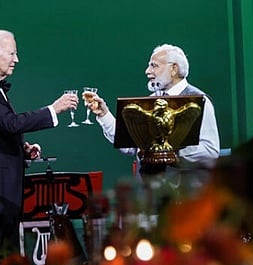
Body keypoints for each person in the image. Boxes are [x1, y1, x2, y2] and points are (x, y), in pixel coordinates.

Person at [0, 29, 78, 259]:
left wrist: (21, 149)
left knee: (8, 264)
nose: (17, 59)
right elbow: (10, 123)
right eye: (12, 53)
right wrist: (54, 109)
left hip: (2, 193)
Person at [84, 43, 220, 181]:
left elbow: (209, 151)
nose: (147, 71)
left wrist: (170, 155)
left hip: (184, 194)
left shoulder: (199, 101)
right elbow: (129, 145)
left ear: (174, 69)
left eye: (154, 65)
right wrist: (103, 114)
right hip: (148, 194)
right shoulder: (149, 103)